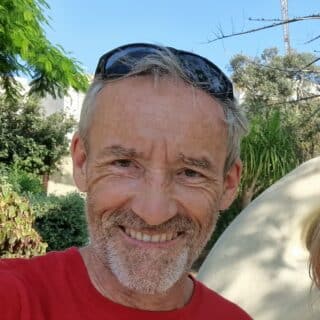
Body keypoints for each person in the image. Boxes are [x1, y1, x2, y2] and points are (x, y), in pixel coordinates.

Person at [0, 43, 252, 319]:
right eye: (124, 164)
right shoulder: (14, 298)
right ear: (82, 163)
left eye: (190, 173)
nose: (153, 214)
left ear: (228, 185)